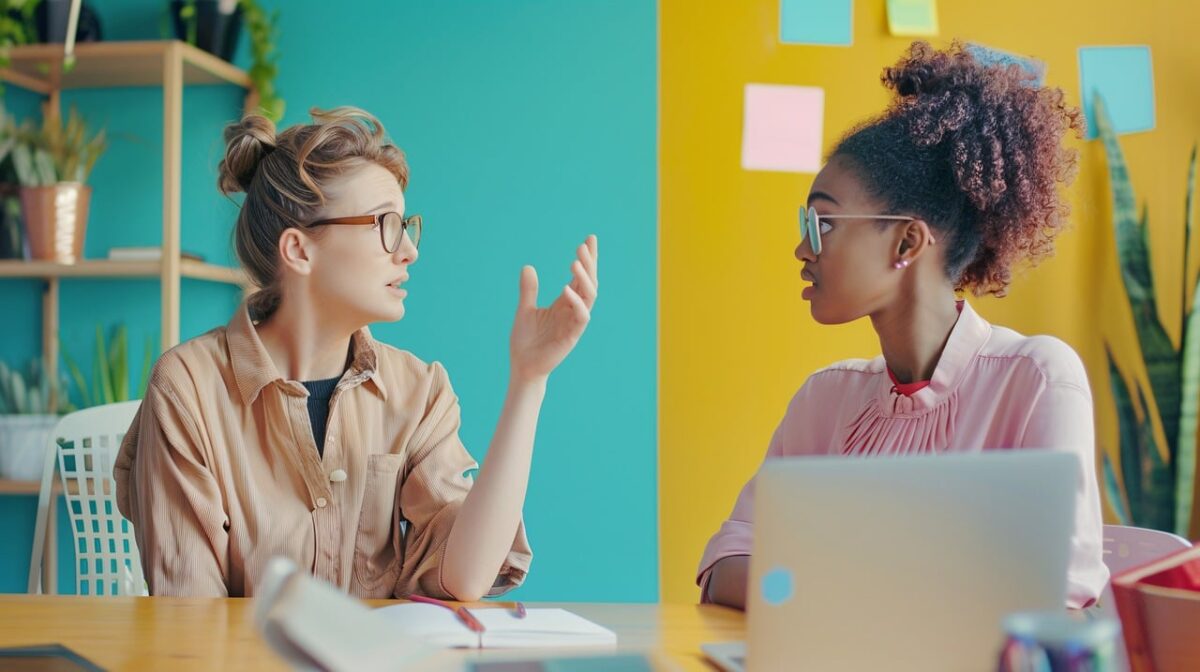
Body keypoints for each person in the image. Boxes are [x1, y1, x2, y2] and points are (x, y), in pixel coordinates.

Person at [115, 107, 599, 600]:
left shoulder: (418, 391)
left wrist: (530, 379)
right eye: (385, 224)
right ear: (299, 250)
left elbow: (467, 577)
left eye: (407, 224)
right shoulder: (189, 388)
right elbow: (189, 618)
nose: (409, 250)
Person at [698, 41, 1107, 610]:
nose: (801, 248)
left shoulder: (1036, 380)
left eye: (823, 224)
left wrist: (818, 584)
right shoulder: (825, 399)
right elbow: (724, 566)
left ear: (907, 242)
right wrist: (860, 591)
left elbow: (1054, 596)